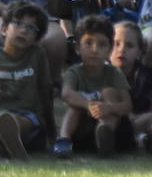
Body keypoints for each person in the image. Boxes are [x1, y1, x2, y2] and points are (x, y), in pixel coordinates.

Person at [0, 0, 55, 159]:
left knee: (20, 120)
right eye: (18, 24)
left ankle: (2, 138)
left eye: (31, 28)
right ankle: (0, 139)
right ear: (4, 28)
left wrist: (52, 134)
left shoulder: (37, 55)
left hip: (28, 123)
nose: (23, 31)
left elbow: (45, 93)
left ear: (36, 38)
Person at [52, 14, 131, 158]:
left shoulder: (114, 73)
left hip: (115, 129)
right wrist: (89, 105)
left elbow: (127, 105)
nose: (94, 50)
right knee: (74, 106)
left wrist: (109, 108)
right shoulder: (74, 72)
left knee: (109, 92)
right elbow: (66, 94)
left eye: (101, 45)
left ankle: (105, 135)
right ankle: (64, 140)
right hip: (83, 128)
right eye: (88, 43)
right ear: (77, 47)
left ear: (110, 49)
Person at [110, 20, 152, 139]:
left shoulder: (147, 78)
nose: (122, 49)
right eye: (116, 44)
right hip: (112, 116)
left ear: (140, 52)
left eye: (129, 45)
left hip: (138, 119)